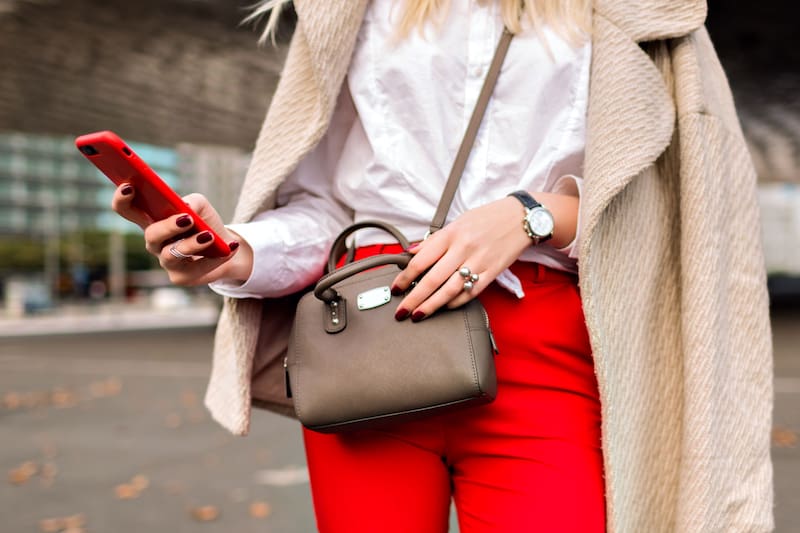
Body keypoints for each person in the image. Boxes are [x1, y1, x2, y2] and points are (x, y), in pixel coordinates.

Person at [113, 0, 774, 531]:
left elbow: (670, 206)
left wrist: (529, 214)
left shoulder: (641, 13)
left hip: (543, 351)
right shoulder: (356, 11)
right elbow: (327, 210)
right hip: (369, 349)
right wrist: (234, 252)